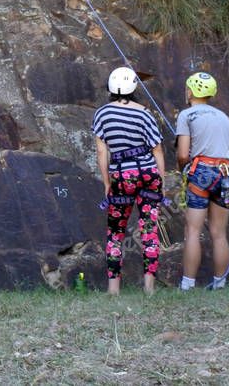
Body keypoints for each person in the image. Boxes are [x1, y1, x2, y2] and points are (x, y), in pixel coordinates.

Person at [92, 66, 166, 295]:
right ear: (134, 86)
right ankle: (149, 287)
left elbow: (102, 153)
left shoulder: (102, 114)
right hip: (147, 173)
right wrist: (160, 182)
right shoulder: (144, 113)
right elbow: (158, 150)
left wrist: (107, 183)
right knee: (149, 230)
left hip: (121, 176)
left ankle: (113, 289)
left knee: (116, 232)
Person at [176, 71, 229, 291]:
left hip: (201, 171)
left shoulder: (187, 115)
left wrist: (182, 169)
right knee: (219, 233)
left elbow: (183, 154)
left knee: (193, 230)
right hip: (226, 173)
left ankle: (187, 285)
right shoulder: (223, 117)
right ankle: (220, 283)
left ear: (190, 91)